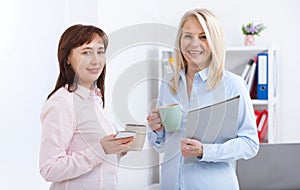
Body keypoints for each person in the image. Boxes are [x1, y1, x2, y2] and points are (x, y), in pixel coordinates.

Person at [147, 8, 259, 189]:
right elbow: (161, 146)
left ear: (214, 41)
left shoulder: (232, 84)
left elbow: (250, 144)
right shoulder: (169, 84)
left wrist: (205, 151)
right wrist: (156, 130)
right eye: (188, 36)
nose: (194, 44)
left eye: (203, 37)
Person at [39, 24, 134, 190]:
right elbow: (49, 169)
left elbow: (94, 161)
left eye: (100, 52)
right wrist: (100, 151)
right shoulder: (61, 103)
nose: (95, 60)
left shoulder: (94, 99)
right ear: (67, 58)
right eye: (86, 52)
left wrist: (116, 150)